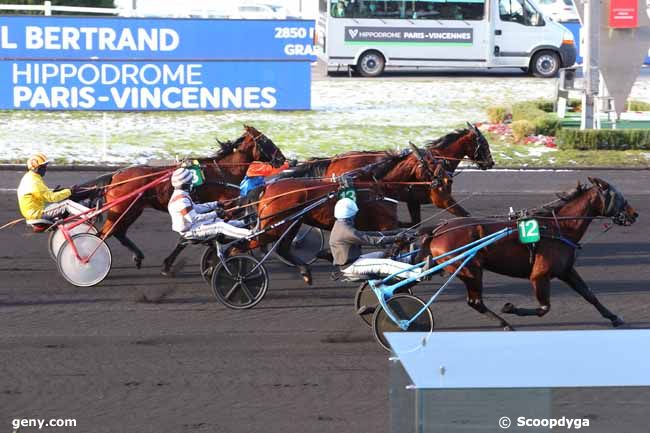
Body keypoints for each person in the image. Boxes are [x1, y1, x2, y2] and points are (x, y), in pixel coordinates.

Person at [329, 198, 421, 280]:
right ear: (350, 214)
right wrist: (396, 237)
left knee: (381, 254)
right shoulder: (346, 230)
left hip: (355, 260)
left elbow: (370, 234)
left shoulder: (340, 225)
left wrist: (395, 232)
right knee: (386, 264)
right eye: (354, 214)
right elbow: (373, 240)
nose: (355, 216)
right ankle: (418, 273)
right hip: (352, 266)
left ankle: (407, 260)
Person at [168, 167, 253, 241]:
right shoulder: (181, 201)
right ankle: (250, 234)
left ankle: (242, 223)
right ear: (185, 184)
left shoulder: (181, 195)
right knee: (220, 226)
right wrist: (215, 213)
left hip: (192, 225)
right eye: (190, 182)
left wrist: (217, 204)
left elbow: (197, 208)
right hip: (189, 230)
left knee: (218, 221)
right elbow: (195, 219)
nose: (192, 184)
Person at [17, 152, 89, 224]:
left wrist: (59, 191)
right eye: (43, 167)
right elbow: (52, 198)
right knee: (67, 204)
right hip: (38, 214)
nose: (45, 169)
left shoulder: (30, 177)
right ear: (36, 168)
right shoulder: (33, 182)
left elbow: (42, 193)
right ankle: (90, 215)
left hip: (35, 212)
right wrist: (69, 191)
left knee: (62, 203)